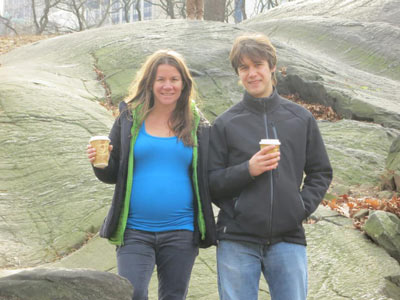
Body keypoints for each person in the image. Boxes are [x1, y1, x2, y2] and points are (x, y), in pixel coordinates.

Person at [208, 33, 333, 300]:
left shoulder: (300, 118)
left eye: (258, 65)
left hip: (288, 238)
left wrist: (299, 208)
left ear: (272, 66)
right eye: (244, 68)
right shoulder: (225, 123)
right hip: (237, 239)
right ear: (238, 73)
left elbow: (320, 171)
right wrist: (248, 170)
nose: (252, 73)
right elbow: (211, 181)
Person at [87, 49, 216, 300]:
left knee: (173, 296)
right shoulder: (128, 118)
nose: (168, 85)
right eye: (161, 79)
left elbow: (209, 174)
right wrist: (99, 163)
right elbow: (112, 173)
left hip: (181, 230)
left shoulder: (197, 123)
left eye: (174, 79)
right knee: (132, 293)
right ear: (150, 83)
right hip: (135, 231)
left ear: (183, 83)